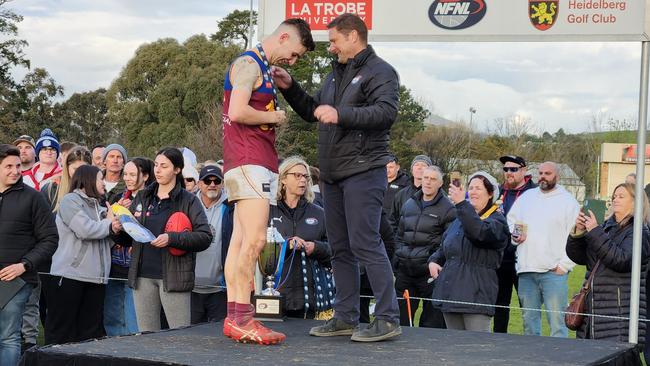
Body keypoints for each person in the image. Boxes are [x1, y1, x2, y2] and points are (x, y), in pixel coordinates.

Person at [275, 13, 402, 341]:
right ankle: (344, 316)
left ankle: (387, 318)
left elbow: (386, 113)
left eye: (333, 41)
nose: (330, 47)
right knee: (341, 248)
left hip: (364, 171)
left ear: (353, 37)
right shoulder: (335, 76)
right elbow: (314, 111)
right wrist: (291, 89)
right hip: (332, 175)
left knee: (365, 243)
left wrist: (341, 114)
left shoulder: (381, 72)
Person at [221, 18, 314, 345]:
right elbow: (237, 111)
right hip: (250, 161)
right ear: (284, 36)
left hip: (245, 162)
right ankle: (244, 318)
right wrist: (274, 117)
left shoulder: (258, 64)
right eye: (296, 53)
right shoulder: (249, 63)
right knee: (256, 242)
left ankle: (235, 317)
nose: (294, 60)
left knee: (240, 241)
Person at [115, 147, 212, 332]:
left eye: (164, 166)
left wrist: (172, 238)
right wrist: (117, 230)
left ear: (177, 169)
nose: (157, 170)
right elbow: (129, 239)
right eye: (156, 165)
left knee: (179, 337)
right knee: (147, 336)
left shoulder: (189, 200)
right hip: (142, 277)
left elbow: (205, 237)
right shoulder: (143, 197)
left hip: (174, 278)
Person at [22, 146, 91, 350]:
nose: (77, 174)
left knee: (82, 320)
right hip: (55, 262)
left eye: (82, 169)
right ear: (66, 168)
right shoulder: (50, 189)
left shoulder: (96, 193)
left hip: (84, 265)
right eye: (74, 168)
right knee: (55, 316)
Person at [567, 183, 649, 351]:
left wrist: (595, 231)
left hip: (619, 314)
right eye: (614, 197)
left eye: (621, 196)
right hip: (593, 311)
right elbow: (581, 257)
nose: (615, 200)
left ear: (635, 202)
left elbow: (621, 260)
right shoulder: (605, 227)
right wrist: (578, 232)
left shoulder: (640, 232)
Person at [44, 165, 119, 345]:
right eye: (101, 178)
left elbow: (104, 240)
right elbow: (84, 230)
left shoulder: (100, 206)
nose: (104, 182)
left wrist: (116, 225)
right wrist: (109, 225)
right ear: (88, 180)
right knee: (62, 333)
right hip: (69, 276)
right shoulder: (70, 200)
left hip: (96, 278)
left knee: (90, 335)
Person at [428, 171, 509, 332]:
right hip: (451, 293)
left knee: (475, 348)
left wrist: (461, 205)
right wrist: (434, 260)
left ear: (491, 193)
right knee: (453, 346)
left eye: (478, 188)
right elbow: (446, 244)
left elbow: (478, 233)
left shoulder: (497, 221)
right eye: (470, 187)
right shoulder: (460, 219)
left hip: (476, 296)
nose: (472, 192)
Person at [0, 144, 58, 366]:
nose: (15, 171)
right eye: (9, 166)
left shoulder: (33, 198)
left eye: (17, 166)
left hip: (17, 280)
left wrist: (24, 265)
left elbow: (50, 239)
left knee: (8, 336)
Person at [507, 161, 580, 337]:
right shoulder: (527, 197)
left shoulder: (568, 202)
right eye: (540, 173)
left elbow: (577, 238)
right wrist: (515, 236)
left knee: (557, 324)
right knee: (529, 323)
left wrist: (565, 265)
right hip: (526, 270)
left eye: (547, 173)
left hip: (553, 272)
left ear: (557, 176)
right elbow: (512, 221)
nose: (543, 177)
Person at [269, 157, 331, 318]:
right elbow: (257, 246)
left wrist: (316, 248)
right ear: (283, 179)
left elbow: (335, 250)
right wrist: (286, 245)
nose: (302, 180)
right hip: (274, 294)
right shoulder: (268, 211)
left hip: (309, 296)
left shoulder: (319, 213)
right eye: (297, 175)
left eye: (305, 176)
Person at [394, 166, 454, 328]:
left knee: (431, 324)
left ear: (440, 183)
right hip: (405, 271)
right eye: (425, 178)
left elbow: (447, 242)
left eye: (433, 179)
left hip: (429, 273)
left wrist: (432, 262)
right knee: (401, 322)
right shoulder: (409, 204)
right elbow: (399, 234)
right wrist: (398, 257)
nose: (428, 182)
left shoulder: (448, 209)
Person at [104, 157, 154, 336]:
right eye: (125, 174)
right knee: (112, 318)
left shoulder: (152, 200)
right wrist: (113, 215)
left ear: (146, 176)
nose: (127, 178)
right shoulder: (118, 198)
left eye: (133, 174)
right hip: (115, 266)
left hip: (137, 269)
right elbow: (109, 228)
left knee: (134, 321)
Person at [493, 155, 537, 333]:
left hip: (524, 260)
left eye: (513, 169)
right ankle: (498, 343)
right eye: (505, 169)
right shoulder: (497, 192)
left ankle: (530, 343)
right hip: (500, 259)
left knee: (527, 308)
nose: (508, 173)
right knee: (499, 306)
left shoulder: (535, 193)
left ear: (524, 170)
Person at [192, 165, 233, 324]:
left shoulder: (231, 207)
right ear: (199, 184)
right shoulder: (189, 205)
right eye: (207, 180)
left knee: (218, 338)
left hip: (220, 289)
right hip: (191, 287)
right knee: (191, 337)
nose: (212, 184)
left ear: (222, 183)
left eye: (217, 180)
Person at [390, 155, 432, 233]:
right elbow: (393, 222)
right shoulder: (401, 194)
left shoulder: (438, 195)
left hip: (428, 243)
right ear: (412, 170)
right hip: (402, 242)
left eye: (423, 165)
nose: (419, 167)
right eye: (416, 165)